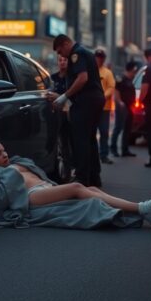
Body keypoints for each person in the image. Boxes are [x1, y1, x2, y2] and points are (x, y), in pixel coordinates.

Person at [0, 136, 151, 229]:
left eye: (4, 150)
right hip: (31, 198)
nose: (5, 155)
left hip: (45, 189)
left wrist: (11, 168)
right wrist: (7, 174)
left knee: (92, 189)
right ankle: (143, 208)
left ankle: (147, 215)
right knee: (77, 187)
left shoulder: (14, 162)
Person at [50, 34, 105, 187]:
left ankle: (82, 178)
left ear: (66, 43)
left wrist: (64, 96)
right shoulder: (84, 52)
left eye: (61, 51)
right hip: (94, 100)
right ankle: (94, 177)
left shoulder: (77, 54)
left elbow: (82, 78)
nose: (61, 55)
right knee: (90, 139)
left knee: (80, 140)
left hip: (85, 101)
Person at [110, 61, 139, 157]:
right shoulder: (121, 79)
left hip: (129, 107)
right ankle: (113, 148)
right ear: (129, 70)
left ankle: (125, 149)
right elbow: (116, 91)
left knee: (127, 128)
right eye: (134, 71)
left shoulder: (130, 80)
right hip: (122, 106)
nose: (134, 74)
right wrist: (119, 102)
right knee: (118, 127)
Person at [94, 49, 116, 164]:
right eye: (97, 57)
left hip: (104, 108)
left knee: (104, 132)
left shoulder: (107, 73)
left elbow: (111, 87)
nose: (99, 59)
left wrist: (102, 97)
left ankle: (104, 155)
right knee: (91, 133)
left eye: (101, 57)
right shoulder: (90, 71)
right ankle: (92, 155)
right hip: (91, 108)